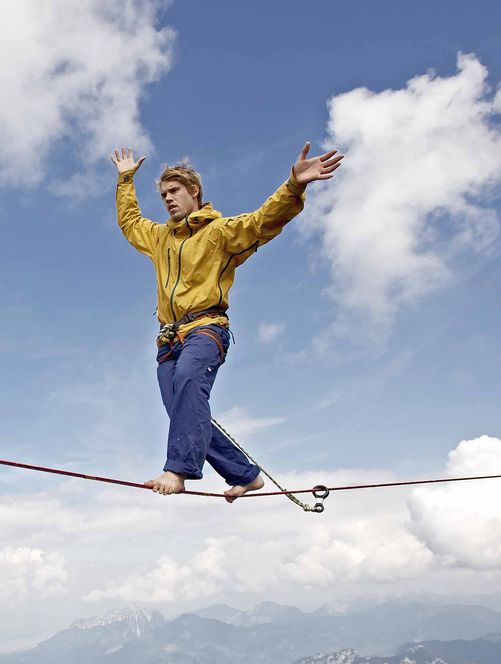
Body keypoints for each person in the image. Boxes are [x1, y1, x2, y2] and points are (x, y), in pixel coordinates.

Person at [111, 143, 342, 502]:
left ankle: (178, 469)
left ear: (194, 193)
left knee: (189, 383)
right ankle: (244, 474)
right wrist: (126, 179)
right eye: (163, 195)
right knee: (182, 410)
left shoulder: (219, 233)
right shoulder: (159, 238)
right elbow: (129, 222)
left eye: (174, 192)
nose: (168, 199)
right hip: (168, 338)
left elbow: (263, 220)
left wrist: (294, 185)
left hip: (206, 328)